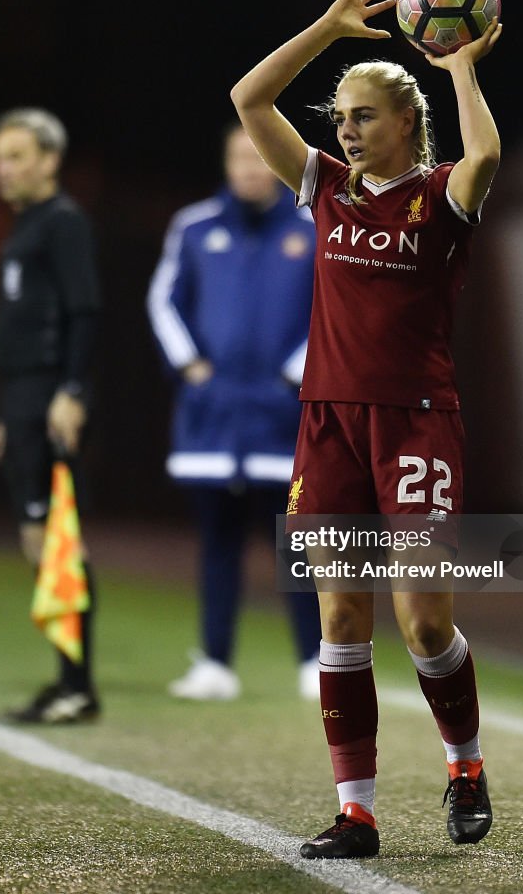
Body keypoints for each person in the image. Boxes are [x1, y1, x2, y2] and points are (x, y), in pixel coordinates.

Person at [230, 0, 502, 856]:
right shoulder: (326, 188)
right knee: (340, 619)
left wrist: (459, 67)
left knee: (425, 621)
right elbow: (249, 97)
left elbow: (488, 157)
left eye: (362, 116)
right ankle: (357, 812)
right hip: (331, 424)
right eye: (339, 116)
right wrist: (331, 28)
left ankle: (464, 765)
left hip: (417, 423)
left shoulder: (442, 198)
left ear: (406, 124)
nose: (343, 129)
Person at [146, 123, 321, 701]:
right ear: (224, 162)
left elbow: (332, 308)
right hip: (213, 416)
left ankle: (314, 665)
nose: (248, 166)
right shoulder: (193, 226)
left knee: (295, 543)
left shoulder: (310, 225)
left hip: (282, 415)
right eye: (237, 155)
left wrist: (292, 376)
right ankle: (215, 664)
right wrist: (192, 367)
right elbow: (163, 300)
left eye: (257, 155)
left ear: (274, 160)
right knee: (217, 541)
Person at [0, 107, 101, 724]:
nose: (4, 168)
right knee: (39, 541)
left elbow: (85, 311)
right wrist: (10, 410)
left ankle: (77, 684)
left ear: (49, 160)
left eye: (17, 156)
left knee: (58, 540)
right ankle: (67, 680)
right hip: (24, 396)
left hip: (50, 394)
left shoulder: (62, 223)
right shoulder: (26, 225)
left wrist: (71, 391)